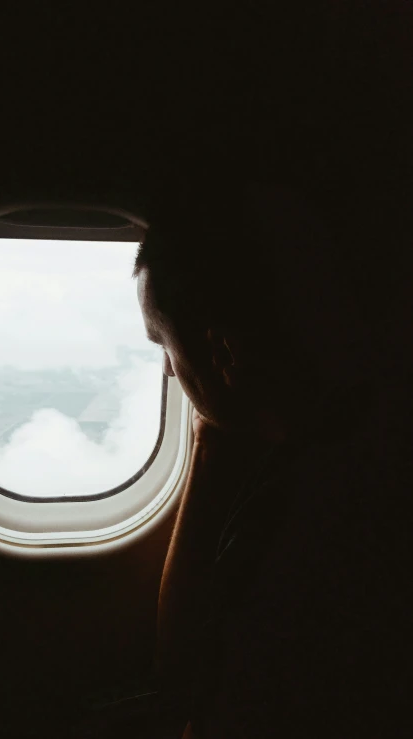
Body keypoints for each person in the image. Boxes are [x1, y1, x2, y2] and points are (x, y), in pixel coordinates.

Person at [133, 182, 413, 737]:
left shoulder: (311, 521)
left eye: (163, 344)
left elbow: (191, 683)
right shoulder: (336, 440)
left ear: (225, 352)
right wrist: (207, 444)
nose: (167, 370)